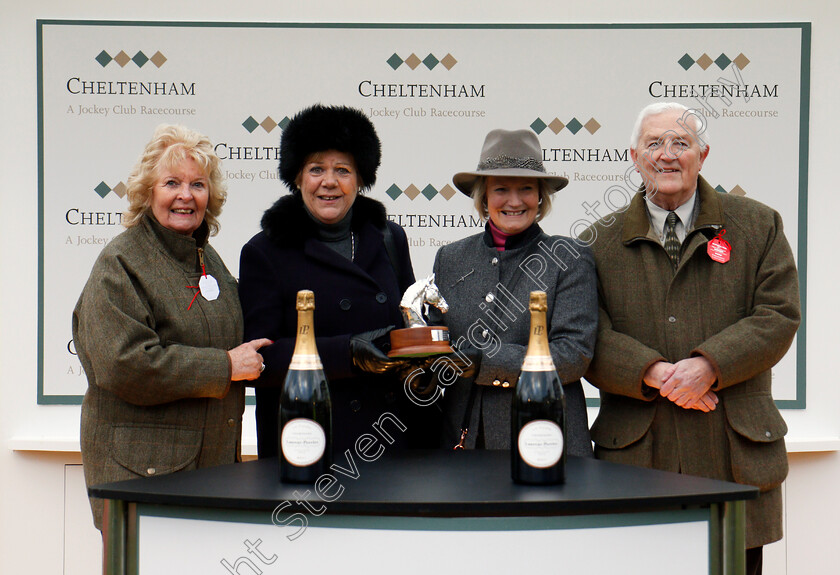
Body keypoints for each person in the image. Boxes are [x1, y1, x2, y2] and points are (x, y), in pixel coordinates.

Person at [584, 102, 800, 575]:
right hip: (640, 463)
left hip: (733, 457)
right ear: (634, 156)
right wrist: (653, 372)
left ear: (703, 155)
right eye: (654, 143)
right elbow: (585, 335)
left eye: (680, 143)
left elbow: (779, 315)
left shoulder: (759, 225)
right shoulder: (595, 243)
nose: (667, 154)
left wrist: (708, 366)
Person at [73, 124, 270, 530]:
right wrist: (225, 367)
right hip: (144, 478)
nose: (186, 195)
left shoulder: (207, 259)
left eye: (198, 184)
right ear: (148, 192)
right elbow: (125, 364)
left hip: (207, 474)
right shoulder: (121, 263)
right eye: (171, 183)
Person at [239, 104, 430, 458]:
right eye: (316, 169)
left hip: (390, 436)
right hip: (312, 441)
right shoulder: (265, 251)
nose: (329, 181)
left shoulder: (390, 238)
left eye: (343, 170)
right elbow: (259, 360)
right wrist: (348, 353)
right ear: (297, 178)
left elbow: (408, 320)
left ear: (360, 179)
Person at [428, 129, 598, 453]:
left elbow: (573, 356)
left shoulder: (569, 257)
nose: (515, 201)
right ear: (483, 197)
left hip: (547, 440)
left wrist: (484, 361)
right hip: (464, 442)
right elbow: (437, 343)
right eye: (501, 189)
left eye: (526, 189)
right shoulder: (450, 258)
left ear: (541, 197)